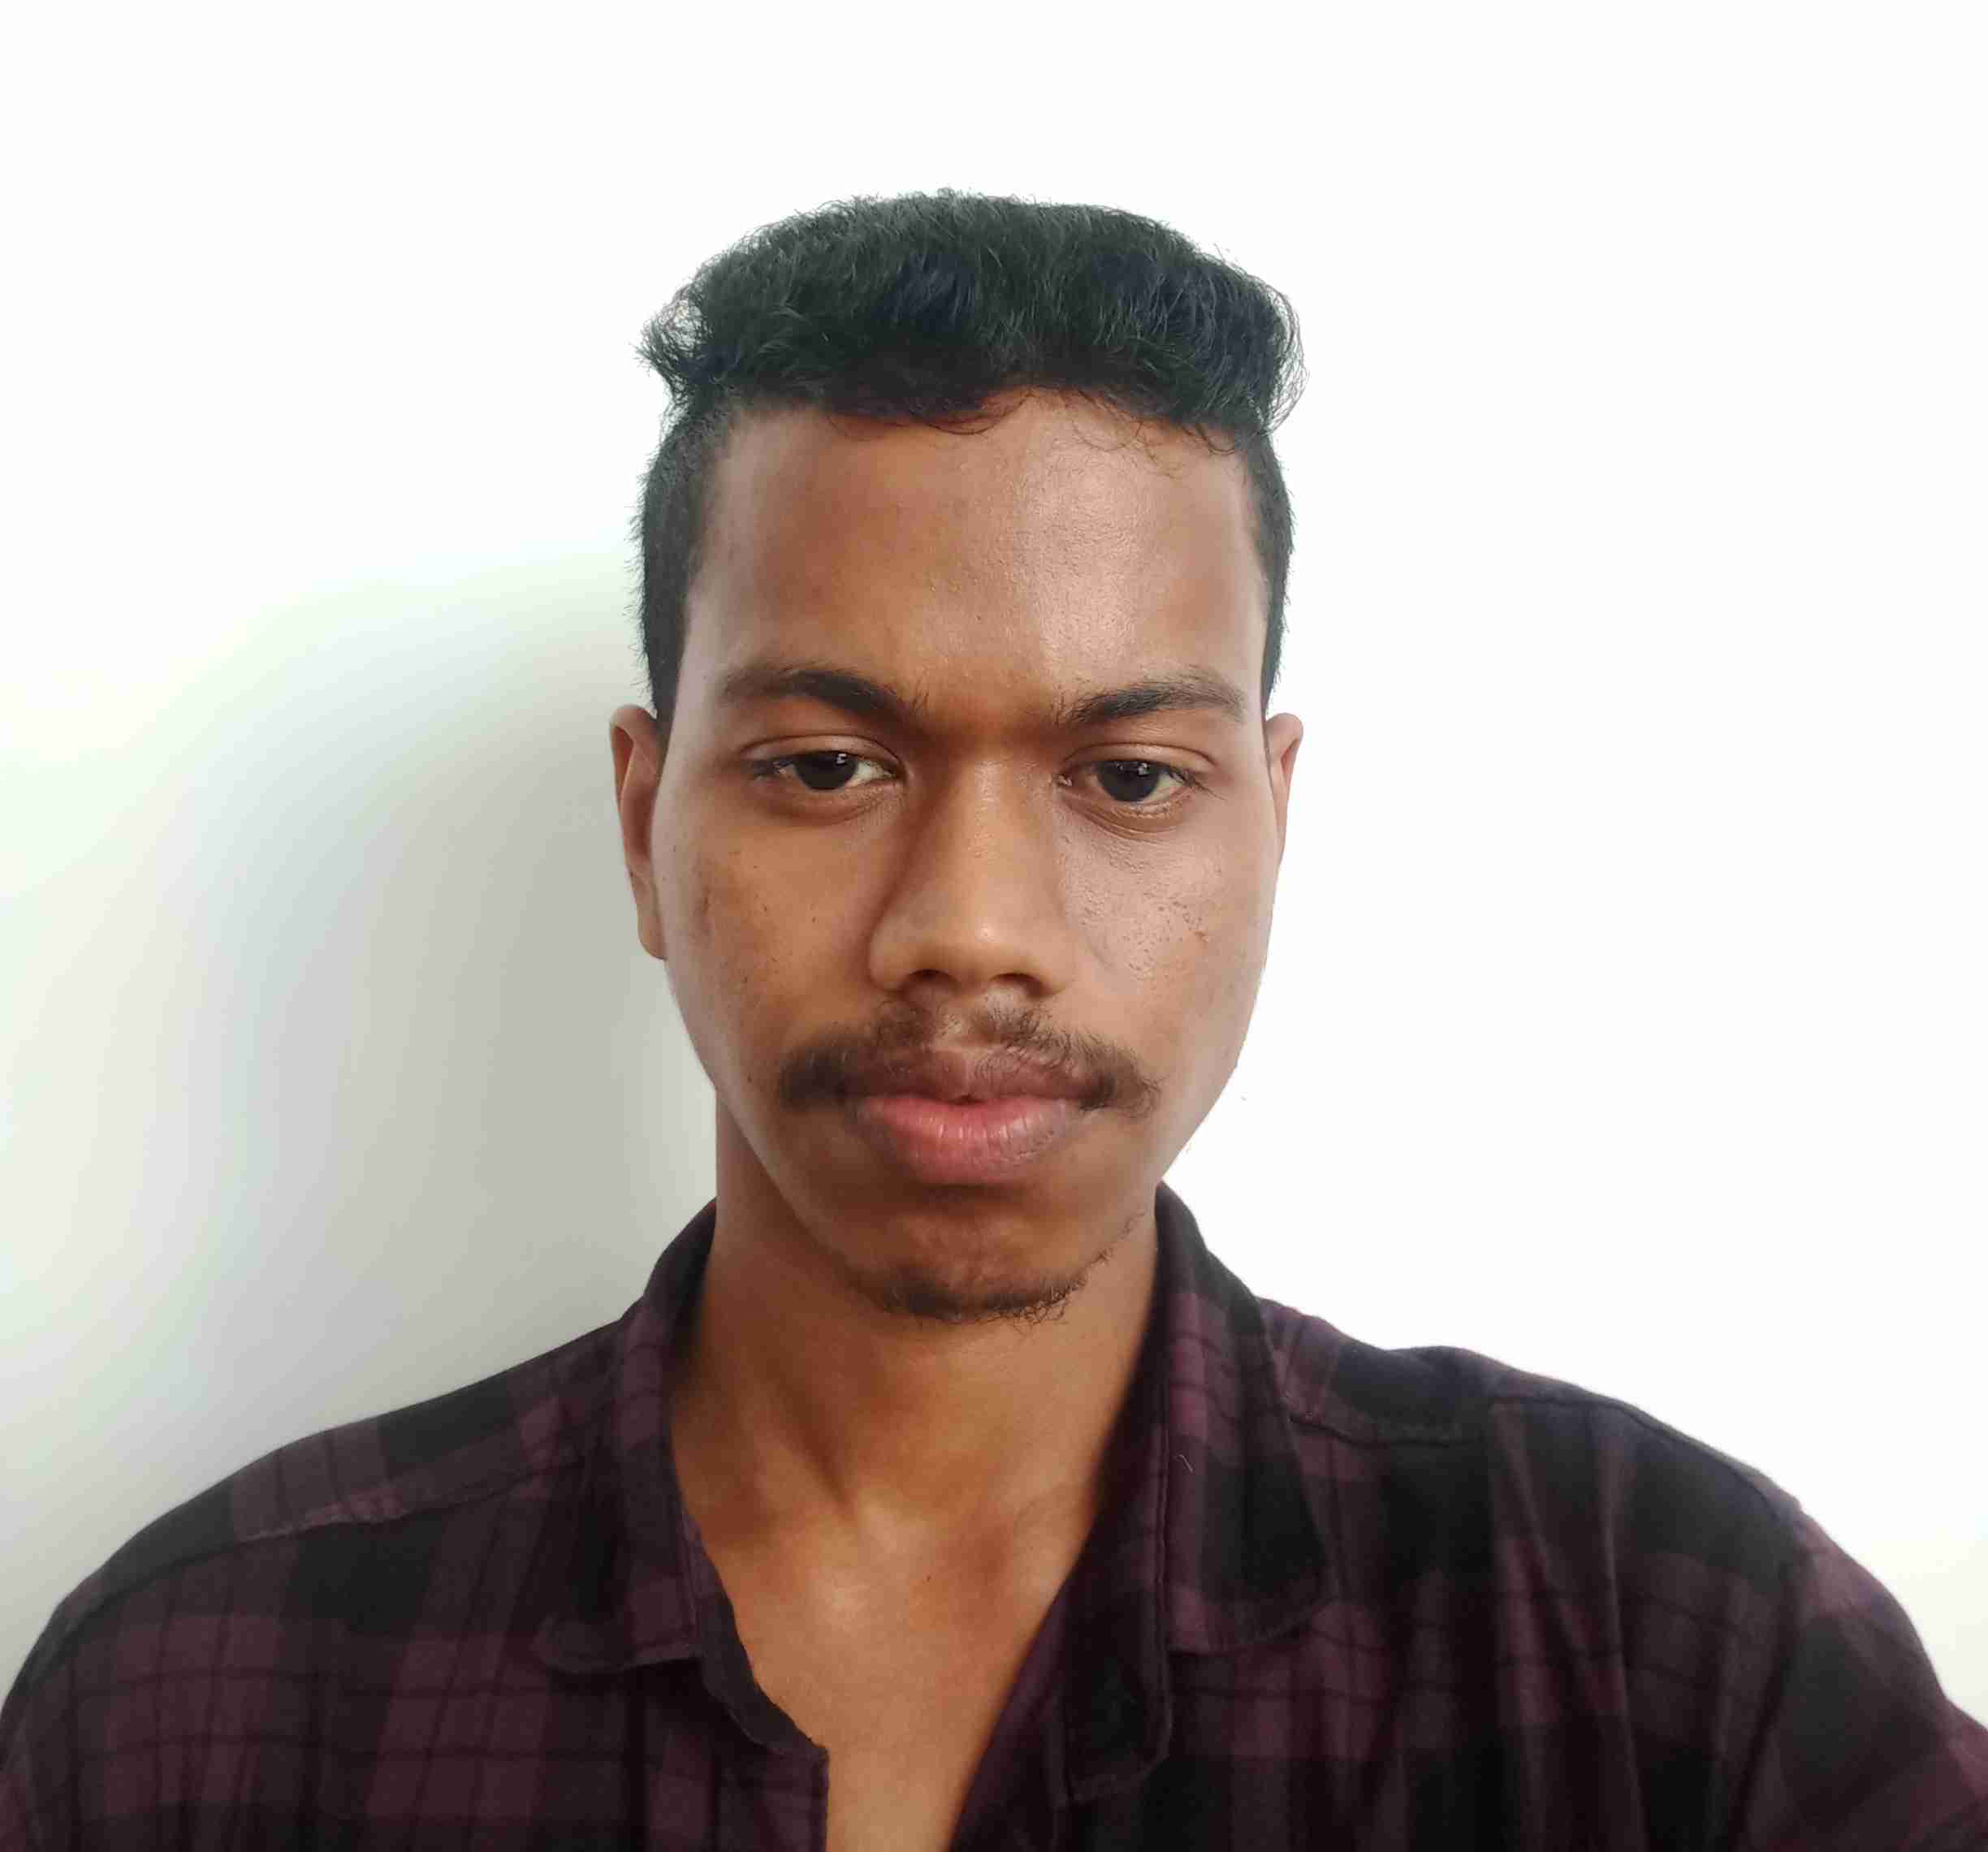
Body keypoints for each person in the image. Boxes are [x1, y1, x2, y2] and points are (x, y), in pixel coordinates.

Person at [4, 190, 1984, 1852]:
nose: (969, 932)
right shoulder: (203, 1702)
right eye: (826, 766)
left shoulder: (1664, 1652)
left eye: (1125, 778)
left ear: (1271, 820)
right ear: (643, 824)